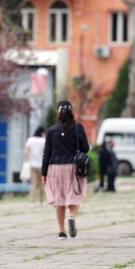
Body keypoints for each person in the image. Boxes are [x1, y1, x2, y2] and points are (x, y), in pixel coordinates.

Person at [42, 100, 89, 240]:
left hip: (55, 168)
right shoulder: (78, 128)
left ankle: (61, 232)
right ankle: (72, 217)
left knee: (59, 199)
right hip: (73, 167)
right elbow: (85, 148)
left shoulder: (51, 130)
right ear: (71, 111)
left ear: (58, 112)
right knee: (75, 196)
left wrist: (44, 173)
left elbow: (47, 153)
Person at [24, 126, 46, 205]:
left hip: (32, 164)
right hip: (41, 164)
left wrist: (32, 156)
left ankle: (32, 202)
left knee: (33, 184)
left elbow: (26, 152)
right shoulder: (43, 141)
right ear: (42, 133)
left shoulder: (30, 140)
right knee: (41, 184)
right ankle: (41, 201)